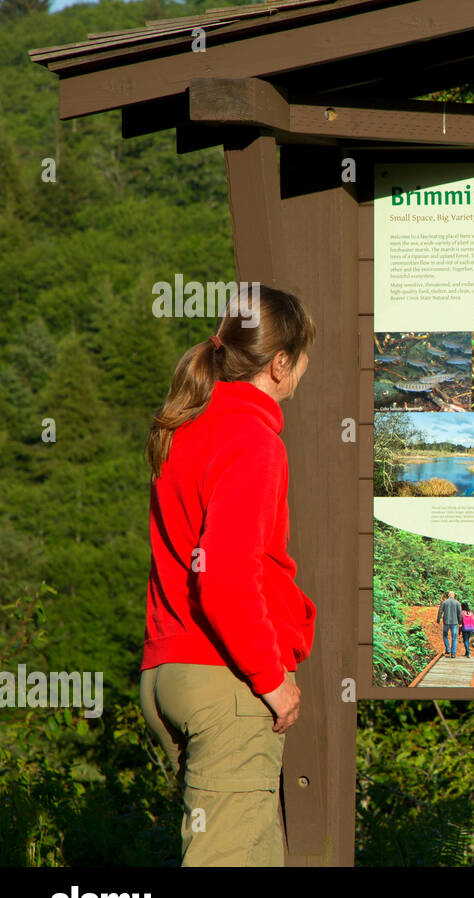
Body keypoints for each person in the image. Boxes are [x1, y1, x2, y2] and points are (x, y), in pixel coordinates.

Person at [139, 285, 316, 867]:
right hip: (227, 682)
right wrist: (270, 679)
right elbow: (223, 578)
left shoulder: (185, 428)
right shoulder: (253, 441)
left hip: (169, 672)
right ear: (280, 363)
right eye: (304, 355)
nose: (307, 368)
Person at [438, 590, 462, 656]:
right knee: (454, 637)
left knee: (445, 636)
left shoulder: (444, 602)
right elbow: (459, 613)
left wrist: (438, 619)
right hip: (454, 622)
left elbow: (440, 611)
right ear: (453, 596)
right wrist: (460, 622)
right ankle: (453, 653)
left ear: (448, 596)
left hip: (446, 622)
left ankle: (448, 648)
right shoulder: (457, 603)